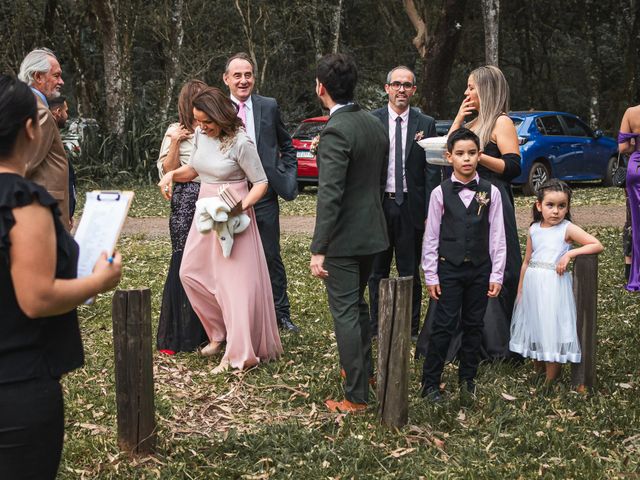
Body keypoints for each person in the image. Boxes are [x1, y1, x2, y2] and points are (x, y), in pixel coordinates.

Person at [0, 75, 122, 479]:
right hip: (17, 385)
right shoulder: (23, 200)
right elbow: (36, 297)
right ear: (30, 128)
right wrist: (99, 281)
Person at [158, 86, 282, 373]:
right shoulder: (201, 134)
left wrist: (240, 207)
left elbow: (261, 182)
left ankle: (238, 355)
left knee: (233, 287)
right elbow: (195, 169)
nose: (201, 127)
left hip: (233, 216)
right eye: (198, 121)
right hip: (205, 214)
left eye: (207, 122)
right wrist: (172, 175)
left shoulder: (241, 142)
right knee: (189, 272)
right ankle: (218, 332)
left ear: (221, 117)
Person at [417, 65, 522, 361]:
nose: (466, 92)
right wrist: (460, 121)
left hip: (491, 199)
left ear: (487, 90)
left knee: (489, 261)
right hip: (462, 200)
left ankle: (490, 342)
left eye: (471, 87)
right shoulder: (473, 123)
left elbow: (514, 168)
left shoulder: (501, 123)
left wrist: (477, 156)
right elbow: (448, 153)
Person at [310, 53, 389, 413]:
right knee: (357, 308)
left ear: (321, 88)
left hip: (344, 239)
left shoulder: (336, 130)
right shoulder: (374, 124)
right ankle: (366, 374)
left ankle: (356, 397)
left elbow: (330, 195)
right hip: (374, 233)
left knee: (345, 311)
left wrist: (319, 247)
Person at [420, 128, 506, 402]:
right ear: (449, 157)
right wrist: (431, 275)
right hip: (449, 269)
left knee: (473, 324)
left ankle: (468, 379)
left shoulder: (491, 192)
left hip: (480, 269)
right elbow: (431, 236)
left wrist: (497, 273)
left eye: (472, 153)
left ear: (479, 155)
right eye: (460, 154)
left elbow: (497, 236)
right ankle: (430, 382)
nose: (466, 159)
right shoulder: (439, 193)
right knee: (443, 325)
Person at [222, 52, 299, 332]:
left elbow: (287, 145)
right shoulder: (217, 109)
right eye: (238, 75)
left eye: (248, 75)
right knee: (234, 255)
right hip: (232, 195)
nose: (244, 81)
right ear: (226, 79)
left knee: (270, 255)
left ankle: (281, 314)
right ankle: (241, 314)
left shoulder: (268, 105)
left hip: (264, 193)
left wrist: (286, 175)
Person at [368, 66, 440, 339]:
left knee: (410, 270)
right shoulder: (372, 121)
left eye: (407, 85)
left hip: (412, 206)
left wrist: (429, 211)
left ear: (414, 90)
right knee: (378, 270)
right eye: (396, 84)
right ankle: (378, 327)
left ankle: (410, 329)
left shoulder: (425, 123)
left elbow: (432, 170)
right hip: (380, 206)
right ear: (387, 88)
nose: (401, 89)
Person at [510, 179, 603, 382]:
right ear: (539, 205)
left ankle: (550, 380)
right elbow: (526, 262)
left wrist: (570, 254)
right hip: (533, 284)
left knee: (551, 328)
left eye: (562, 206)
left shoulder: (566, 228)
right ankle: (538, 370)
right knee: (535, 326)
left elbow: (596, 244)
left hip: (553, 285)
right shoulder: (534, 229)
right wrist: (520, 289)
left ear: (567, 207)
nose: (556, 211)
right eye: (550, 205)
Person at [156, 80, 208, 355]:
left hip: (211, 197)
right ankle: (177, 334)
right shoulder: (174, 131)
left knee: (207, 264)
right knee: (182, 260)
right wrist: (176, 141)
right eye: (197, 100)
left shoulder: (213, 129)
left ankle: (206, 332)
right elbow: (167, 169)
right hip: (186, 199)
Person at [18, 47, 72, 230]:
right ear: (38, 77)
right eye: (56, 76)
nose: (61, 81)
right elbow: (24, 164)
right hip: (46, 210)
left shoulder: (24, 105)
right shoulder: (40, 112)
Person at [618, 107, 640, 291]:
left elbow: (623, 147)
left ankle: (634, 275)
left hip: (637, 168)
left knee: (634, 221)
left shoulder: (632, 112)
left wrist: (635, 144)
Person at [47, 95, 77, 225]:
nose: (67, 115)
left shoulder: (55, 133)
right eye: (66, 111)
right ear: (58, 112)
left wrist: (68, 212)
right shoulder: (47, 131)